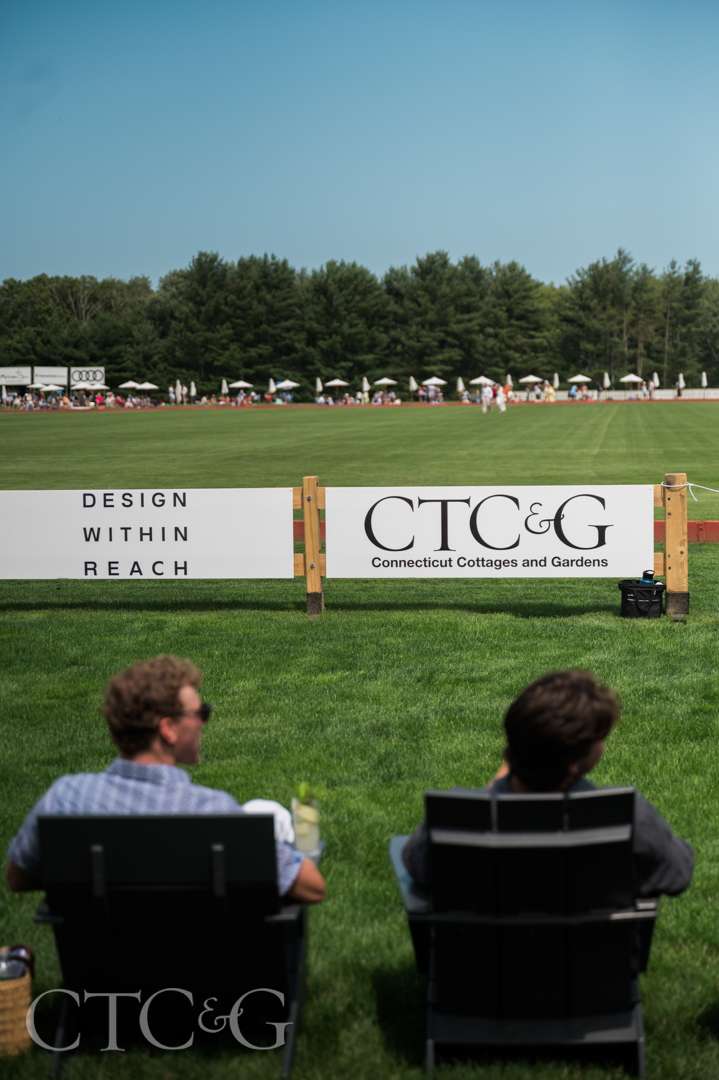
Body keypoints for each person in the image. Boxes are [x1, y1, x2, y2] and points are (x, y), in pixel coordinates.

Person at [6, 656, 326, 904]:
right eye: (201, 714)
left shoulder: (65, 797)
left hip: (94, 967)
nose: (204, 723)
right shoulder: (214, 813)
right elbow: (312, 888)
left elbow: (17, 878)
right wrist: (292, 844)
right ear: (169, 729)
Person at [402, 670, 693, 898]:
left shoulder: (455, 820)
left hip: (486, 959)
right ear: (575, 765)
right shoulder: (627, 817)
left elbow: (415, 863)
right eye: (599, 738)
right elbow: (678, 873)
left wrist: (493, 792)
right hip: (592, 958)